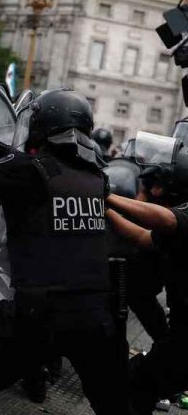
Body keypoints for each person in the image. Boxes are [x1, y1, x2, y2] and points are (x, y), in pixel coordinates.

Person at [0, 89, 133, 415]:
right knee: (115, 404)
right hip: (96, 315)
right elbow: (25, 166)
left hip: (37, 315)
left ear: (40, 127)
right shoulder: (96, 178)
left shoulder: (29, 170)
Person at [107, 165, 188, 413]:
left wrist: (105, 195)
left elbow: (167, 218)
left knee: (134, 384)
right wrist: (106, 210)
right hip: (179, 336)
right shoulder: (174, 230)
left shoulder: (177, 218)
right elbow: (145, 237)